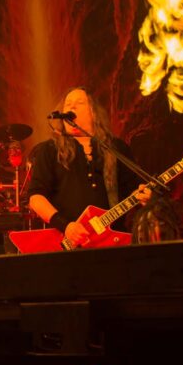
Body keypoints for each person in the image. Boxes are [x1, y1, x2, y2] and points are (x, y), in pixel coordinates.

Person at [26, 87, 151, 247]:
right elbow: (36, 197)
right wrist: (66, 226)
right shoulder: (50, 149)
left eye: (79, 103)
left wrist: (143, 195)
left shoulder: (116, 148)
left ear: (94, 112)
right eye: (68, 104)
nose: (71, 107)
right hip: (68, 242)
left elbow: (133, 188)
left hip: (112, 242)